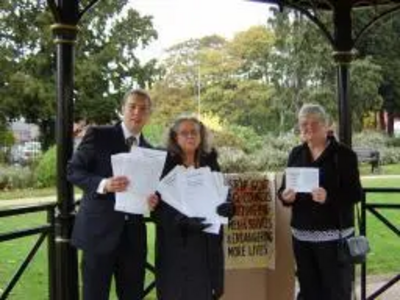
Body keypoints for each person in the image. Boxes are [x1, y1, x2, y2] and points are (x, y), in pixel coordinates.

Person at [67, 89, 153, 300]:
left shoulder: (151, 151)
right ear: (122, 109)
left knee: (132, 295)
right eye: (132, 106)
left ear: (149, 115)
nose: (137, 112)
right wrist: (104, 184)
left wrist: (152, 199)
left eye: (143, 109)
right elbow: (73, 171)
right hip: (98, 234)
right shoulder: (99, 135)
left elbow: (150, 191)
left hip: (133, 239)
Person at [278, 104, 363, 300]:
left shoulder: (343, 155)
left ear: (326, 126)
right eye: (303, 124)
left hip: (335, 239)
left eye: (313, 124)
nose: (307, 128)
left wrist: (329, 196)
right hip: (302, 238)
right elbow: (284, 189)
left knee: (336, 292)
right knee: (309, 293)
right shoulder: (296, 154)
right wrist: (285, 197)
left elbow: (355, 193)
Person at [147, 116, 234, 300]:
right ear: (175, 137)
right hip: (175, 244)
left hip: (206, 243)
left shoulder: (210, 160)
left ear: (201, 135)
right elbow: (156, 208)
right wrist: (182, 222)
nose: (190, 136)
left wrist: (228, 207)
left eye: (194, 132)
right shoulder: (164, 164)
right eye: (184, 133)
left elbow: (222, 192)